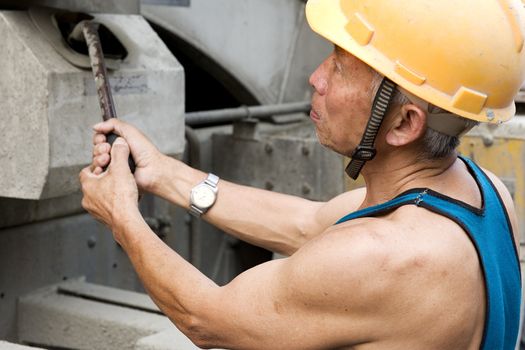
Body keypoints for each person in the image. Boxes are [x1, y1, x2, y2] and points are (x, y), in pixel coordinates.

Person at [79, 0, 525, 349]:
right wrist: (165, 173)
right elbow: (306, 224)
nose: (316, 77)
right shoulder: (479, 191)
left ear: (405, 124)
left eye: (342, 65)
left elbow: (207, 317)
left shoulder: (383, 259)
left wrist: (122, 215)